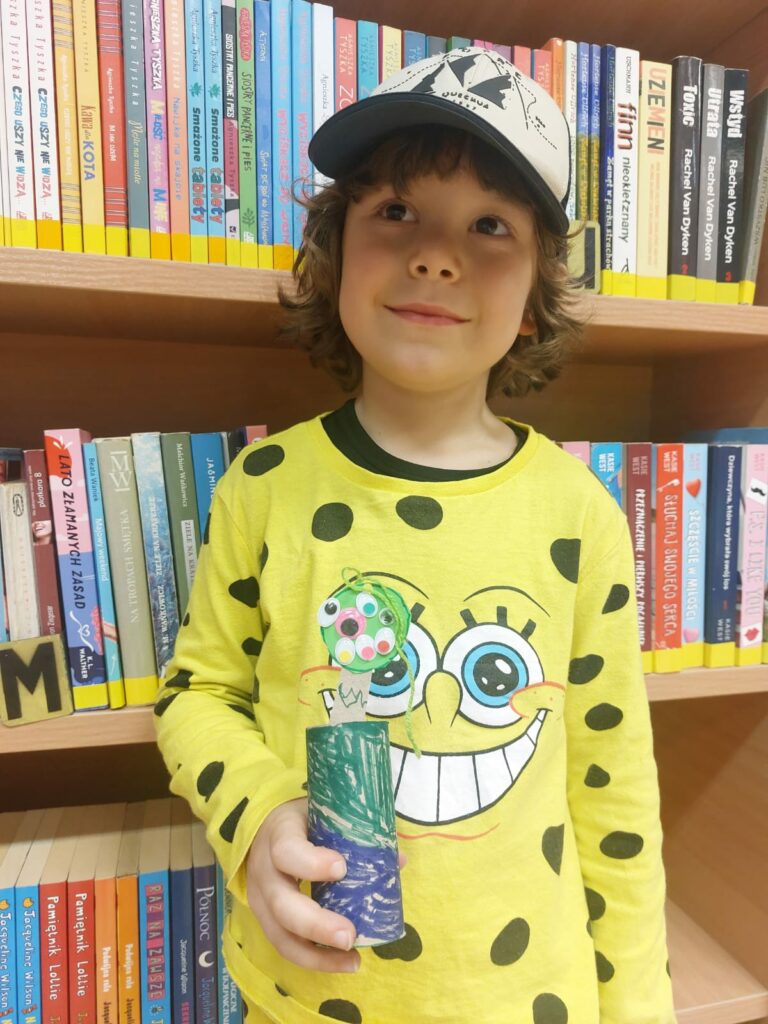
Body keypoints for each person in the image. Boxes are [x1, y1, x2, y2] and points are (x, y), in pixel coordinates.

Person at [154, 47, 677, 1023]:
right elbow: (198, 695)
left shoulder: (580, 515)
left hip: (527, 1000)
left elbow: (614, 795)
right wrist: (258, 812)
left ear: (534, 301)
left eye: (490, 225)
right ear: (335, 256)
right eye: (397, 210)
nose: (437, 256)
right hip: (304, 995)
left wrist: (637, 1005)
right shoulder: (262, 489)